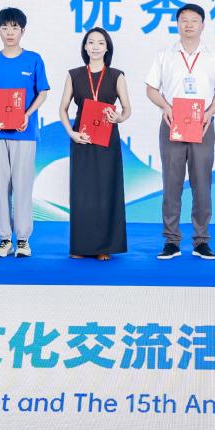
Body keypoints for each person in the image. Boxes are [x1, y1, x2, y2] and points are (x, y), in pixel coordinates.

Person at [145, 3, 215, 260]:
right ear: (177, 24)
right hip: (172, 123)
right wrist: (165, 107)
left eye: (194, 20)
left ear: (202, 25)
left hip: (202, 124)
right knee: (171, 184)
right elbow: (151, 89)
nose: (188, 24)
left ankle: (201, 241)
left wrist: (209, 113)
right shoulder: (165, 55)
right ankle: (171, 241)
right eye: (184, 20)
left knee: (202, 183)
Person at [0, 7, 50, 258]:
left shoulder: (33, 59)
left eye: (14, 27)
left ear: (23, 31)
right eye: (5, 28)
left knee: (22, 185)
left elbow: (42, 93)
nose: (9, 32)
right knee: (0, 186)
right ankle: (4, 239)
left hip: (24, 133)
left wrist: (27, 115)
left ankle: (23, 239)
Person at [58, 27, 131, 260]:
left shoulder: (117, 75)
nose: (96, 46)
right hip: (82, 138)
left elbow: (127, 109)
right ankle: (80, 246)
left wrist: (118, 117)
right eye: (91, 42)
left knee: (106, 190)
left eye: (101, 43)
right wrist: (71, 133)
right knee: (82, 192)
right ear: (85, 47)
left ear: (107, 48)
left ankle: (102, 247)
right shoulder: (74, 75)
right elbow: (63, 109)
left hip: (108, 139)